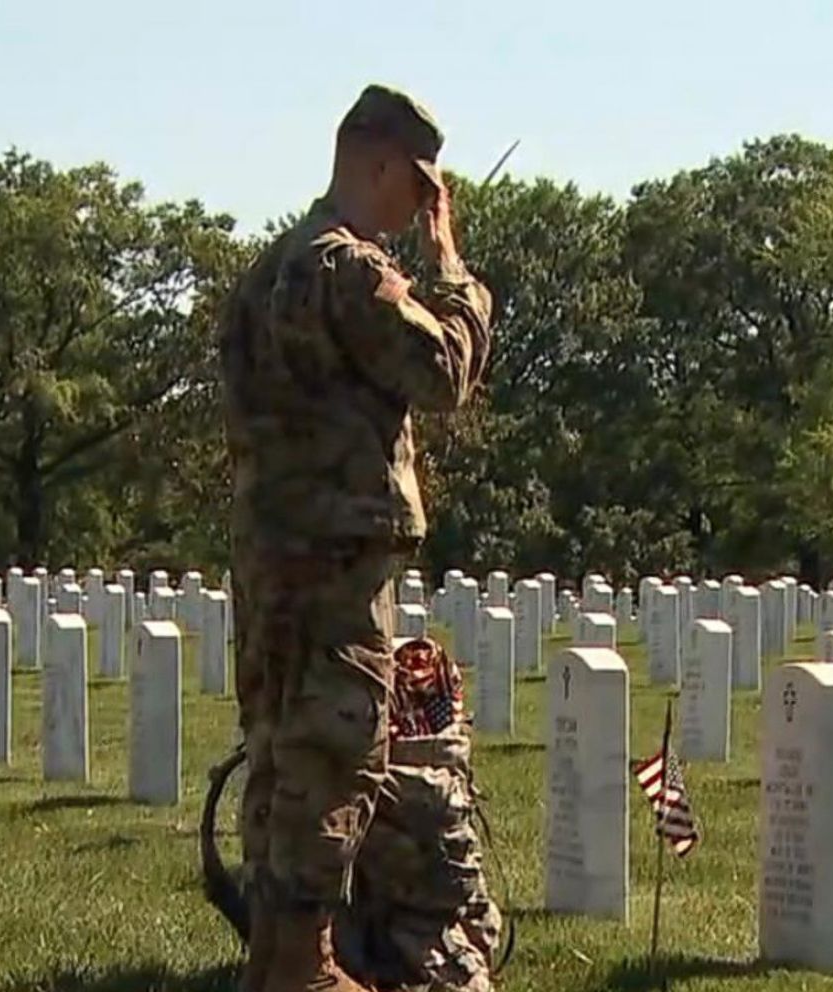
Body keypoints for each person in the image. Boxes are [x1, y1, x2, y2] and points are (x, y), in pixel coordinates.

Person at [217, 84, 493, 992]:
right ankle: (305, 967)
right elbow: (445, 369)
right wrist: (451, 268)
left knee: (278, 748)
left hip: (271, 555)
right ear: (378, 163)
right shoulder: (352, 271)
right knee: (338, 749)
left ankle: (275, 961)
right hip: (339, 556)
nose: (421, 208)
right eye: (418, 187)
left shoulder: (266, 274)